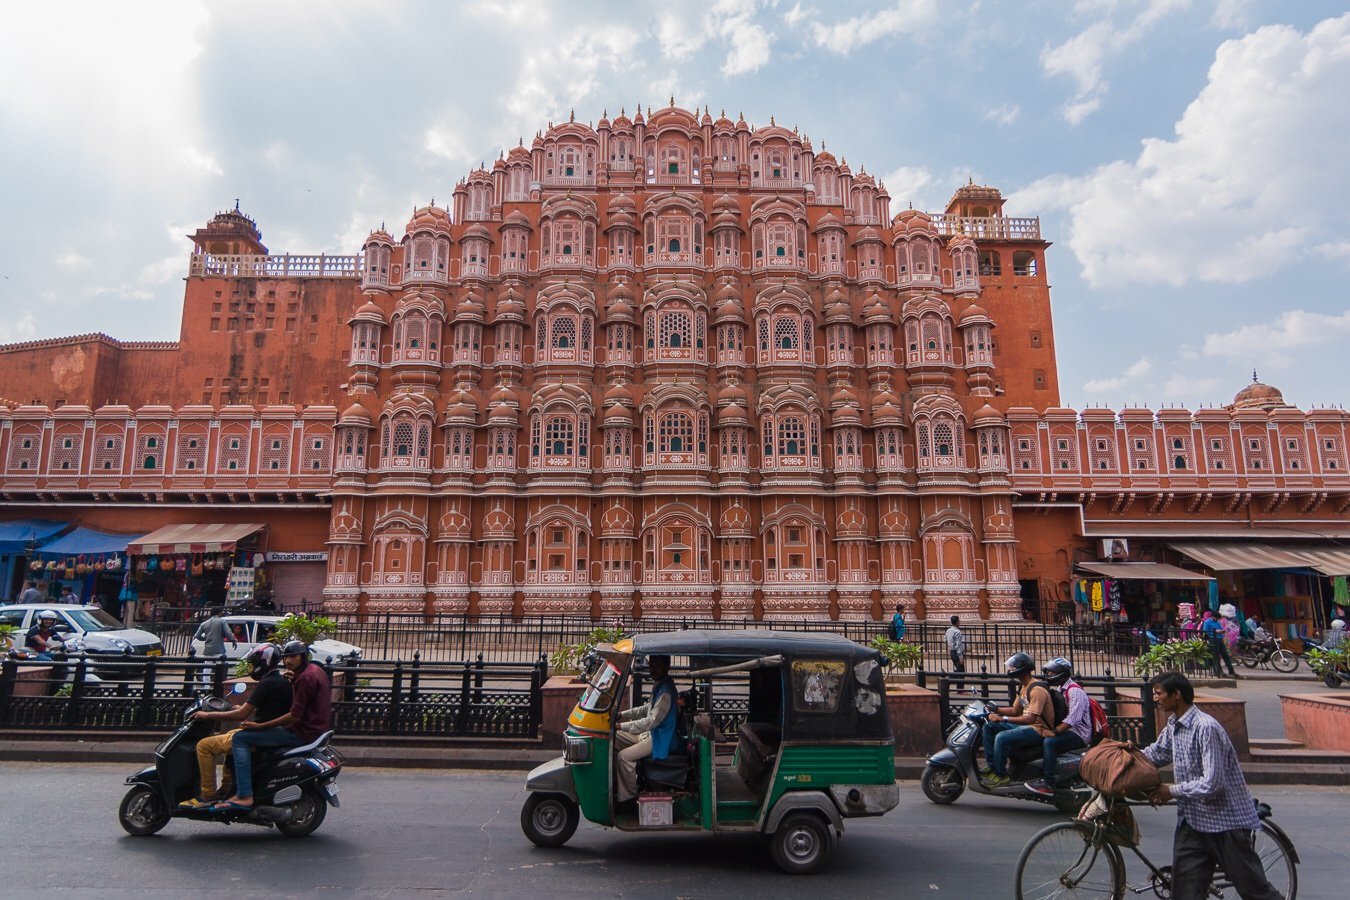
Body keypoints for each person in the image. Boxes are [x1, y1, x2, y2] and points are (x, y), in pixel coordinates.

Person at [1141, 672, 1283, 900]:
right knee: (1185, 892)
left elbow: (1213, 783)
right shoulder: (1174, 725)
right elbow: (1157, 753)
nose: (1155, 698)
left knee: (1255, 891)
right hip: (1193, 822)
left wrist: (1171, 791)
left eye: (1159, 693)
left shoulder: (1205, 728)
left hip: (1225, 824)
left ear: (1176, 694)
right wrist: (1125, 757)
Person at [216, 639, 331, 811]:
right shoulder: (314, 671)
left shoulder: (305, 678)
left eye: (293, 657)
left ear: (303, 656)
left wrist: (260, 726)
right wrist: (294, 681)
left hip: (301, 732)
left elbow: (294, 716)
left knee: (240, 738)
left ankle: (244, 795)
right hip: (315, 728)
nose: (288, 661)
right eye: (286, 657)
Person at [181, 644, 293, 808]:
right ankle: (227, 788)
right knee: (229, 737)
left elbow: (241, 715)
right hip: (266, 731)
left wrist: (207, 715)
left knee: (204, 746)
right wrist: (237, 707)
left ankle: (208, 794)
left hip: (260, 734)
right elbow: (264, 708)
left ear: (262, 663)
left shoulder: (266, 683)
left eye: (254, 664)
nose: (252, 668)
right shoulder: (281, 680)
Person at [980, 652, 1056, 787]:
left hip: (1038, 729)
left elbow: (1030, 718)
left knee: (1002, 737)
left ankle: (1000, 775)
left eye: (1014, 667)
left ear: (1023, 669)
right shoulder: (1023, 687)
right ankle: (993, 767)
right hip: (1027, 726)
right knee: (989, 727)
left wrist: (1002, 719)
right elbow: (1015, 711)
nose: (1011, 670)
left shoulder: (1036, 689)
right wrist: (995, 709)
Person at [614, 653, 679, 805]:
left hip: (660, 738)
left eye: (657, 667)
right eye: (651, 666)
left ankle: (628, 799)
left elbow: (651, 721)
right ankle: (617, 784)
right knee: (613, 737)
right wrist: (622, 714)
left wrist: (621, 725)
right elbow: (646, 709)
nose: (652, 670)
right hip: (649, 734)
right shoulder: (660, 685)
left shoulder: (666, 693)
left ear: (667, 667)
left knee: (624, 757)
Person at [1025, 658, 1091, 796]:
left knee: (1050, 743)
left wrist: (1053, 732)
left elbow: (1073, 720)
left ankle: (1048, 782)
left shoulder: (1074, 691)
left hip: (1079, 733)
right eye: (1048, 672)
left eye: (1051, 672)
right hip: (1069, 729)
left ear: (1062, 673)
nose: (1048, 674)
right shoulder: (1061, 688)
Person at [1201, 610, 1239, 677]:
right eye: (1216, 618)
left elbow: (1222, 628)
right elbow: (1205, 631)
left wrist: (1222, 631)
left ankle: (1231, 671)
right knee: (1216, 656)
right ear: (1212, 617)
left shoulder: (1218, 622)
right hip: (1212, 639)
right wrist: (1215, 632)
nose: (1217, 619)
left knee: (1226, 655)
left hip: (1220, 639)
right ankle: (1218, 672)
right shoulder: (1207, 622)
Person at [945, 615, 966, 691]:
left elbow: (945, 639)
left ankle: (947, 682)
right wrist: (961, 657)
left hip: (951, 651)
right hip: (957, 652)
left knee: (957, 669)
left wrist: (949, 648)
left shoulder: (948, 630)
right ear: (957, 622)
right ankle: (960, 689)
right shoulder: (957, 632)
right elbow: (958, 645)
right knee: (961, 671)